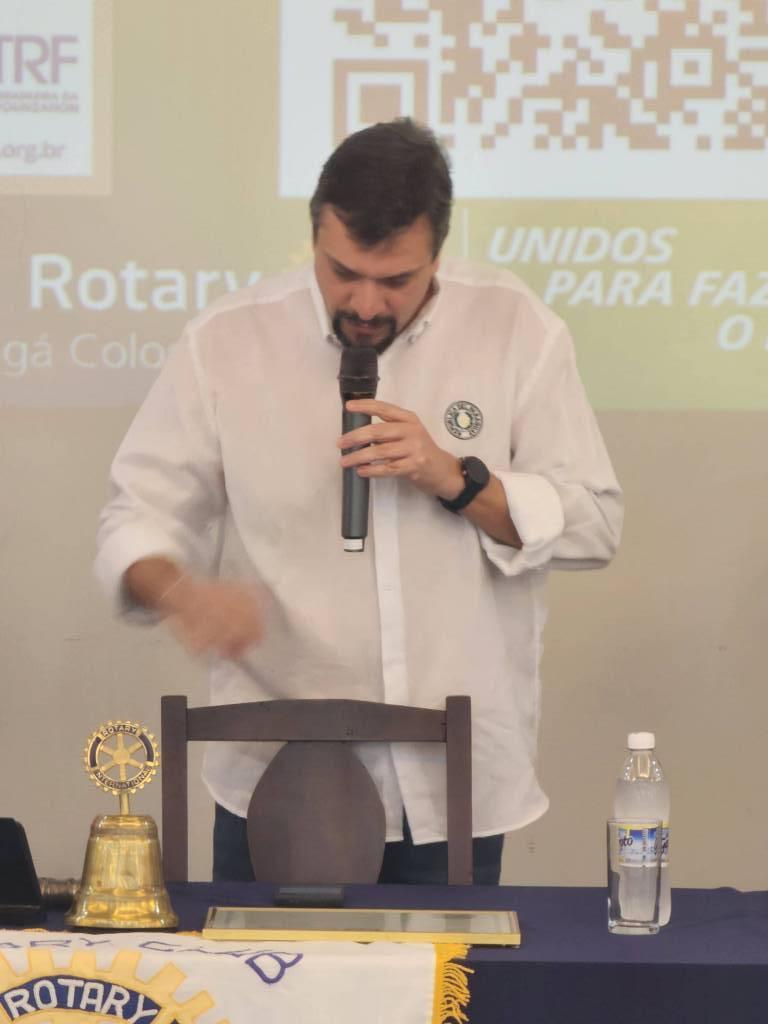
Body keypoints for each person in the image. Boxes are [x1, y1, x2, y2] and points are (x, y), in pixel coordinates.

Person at [96, 118, 623, 885]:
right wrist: (182, 595)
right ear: (314, 233)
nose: (366, 303)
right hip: (274, 781)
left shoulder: (517, 329)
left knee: (454, 969)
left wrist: (458, 478)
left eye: (397, 280)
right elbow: (134, 515)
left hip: (455, 787)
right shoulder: (227, 342)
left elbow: (594, 523)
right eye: (342, 272)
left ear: (439, 252)